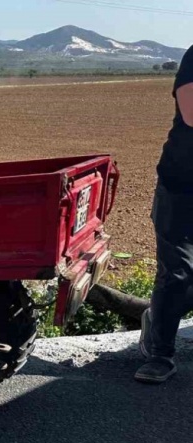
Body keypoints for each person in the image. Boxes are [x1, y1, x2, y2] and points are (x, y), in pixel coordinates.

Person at [136, 45, 193, 384]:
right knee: (179, 272)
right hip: (182, 186)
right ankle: (160, 351)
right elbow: (191, 112)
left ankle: (157, 319)